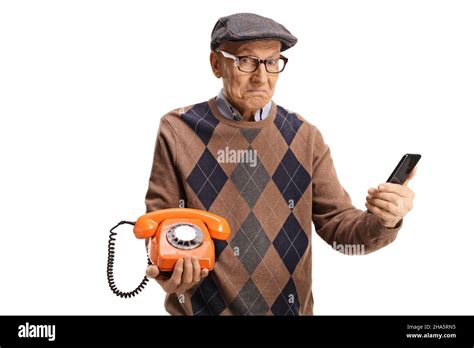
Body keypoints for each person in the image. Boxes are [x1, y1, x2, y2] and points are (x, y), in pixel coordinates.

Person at [144, 12, 417, 315]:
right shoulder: (178, 129)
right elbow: (159, 226)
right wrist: (170, 275)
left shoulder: (305, 136)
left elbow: (340, 229)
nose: (261, 77)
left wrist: (384, 221)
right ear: (216, 64)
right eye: (246, 61)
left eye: (272, 62)